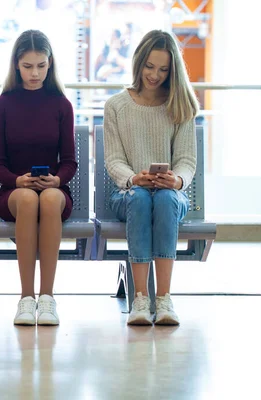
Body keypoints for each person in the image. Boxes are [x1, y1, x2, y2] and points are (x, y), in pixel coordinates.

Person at [104, 29, 199, 326]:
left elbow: (186, 161)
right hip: (129, 193)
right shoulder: (117, 106)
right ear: (138, 62)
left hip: (169, 196)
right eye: (149, 66)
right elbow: (114, 160)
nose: (154, 75)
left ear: (172, 71)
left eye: (163, 69)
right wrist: (134, 178)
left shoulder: (180, 106)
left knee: (166, 198)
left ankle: (164, 299)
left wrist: (177, 180)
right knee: (142, 198)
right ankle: (141, 299)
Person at [0, 30, 77, 326]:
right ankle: (26, 298)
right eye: (28, 66)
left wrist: (56, 180)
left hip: (53, 189)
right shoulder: (1, 106)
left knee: (51, 198)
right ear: (16, 65)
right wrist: (18, 181)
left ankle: (47, 298)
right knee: (28, 198)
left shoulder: (61, 105)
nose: (35, 73)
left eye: (41, 65)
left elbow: (69, 163)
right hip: (14, 192)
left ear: (50, 64)